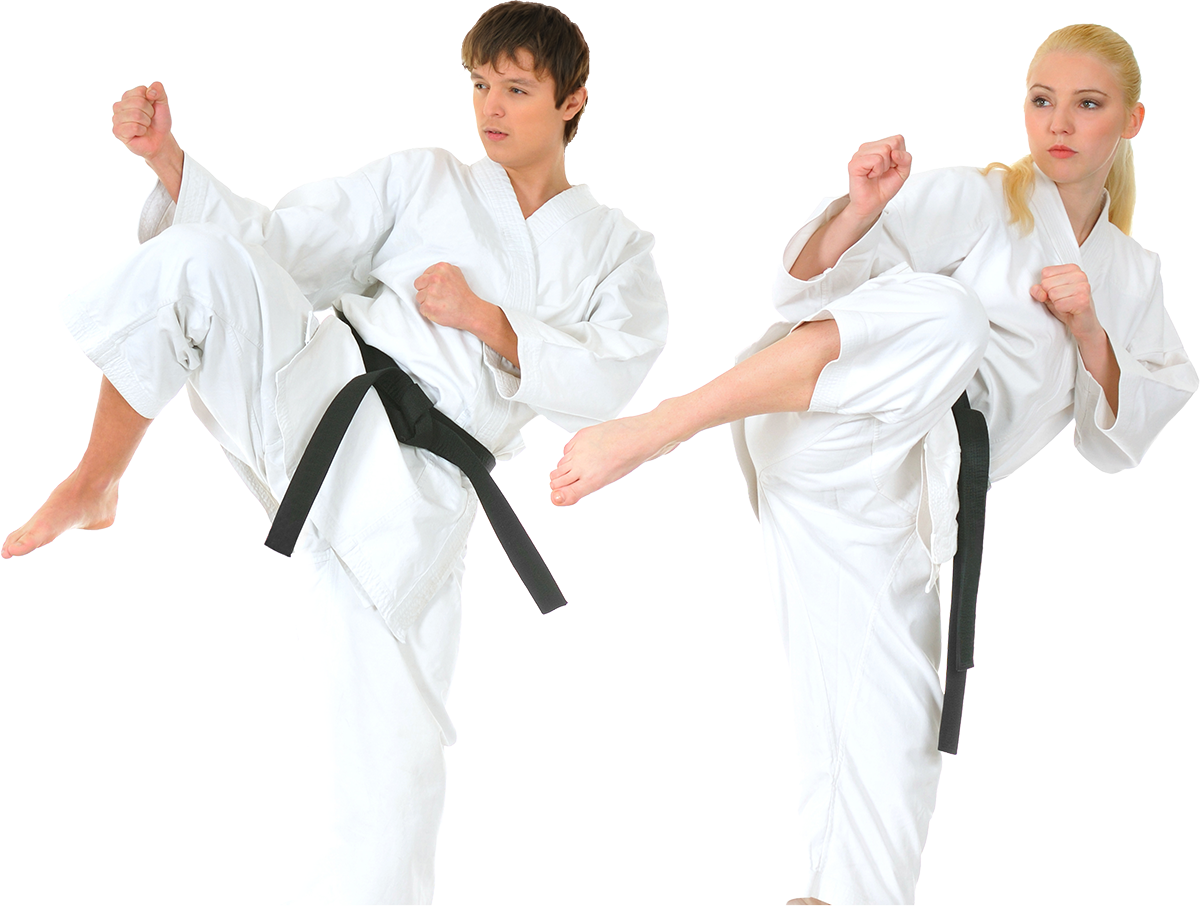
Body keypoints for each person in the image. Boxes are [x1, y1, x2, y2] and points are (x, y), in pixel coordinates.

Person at [2, 2, 667, 902]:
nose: (491, 107)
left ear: (573, 100)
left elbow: (609, 380)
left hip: (420, 492)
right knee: (196, 262)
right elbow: (281, 248)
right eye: (479, 85)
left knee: (389, 768)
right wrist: (169, 160)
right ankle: (96, 478)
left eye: (518, 88)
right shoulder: (424, 179)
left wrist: (484, 317)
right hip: (320, 393)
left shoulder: (616, 252)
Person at [547, 23, 1196, 906]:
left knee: (897, 734)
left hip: (898, 504)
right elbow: (816, 294)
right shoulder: (982, 200)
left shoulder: (1132, 275)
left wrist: (1088, 330)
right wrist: (857, 207)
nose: (1060, 123)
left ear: (1131, 120)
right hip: (829, 426)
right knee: (946, 318)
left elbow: (1123, 435)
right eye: (1043, 100)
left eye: (1088, 104)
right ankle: (665, 423)